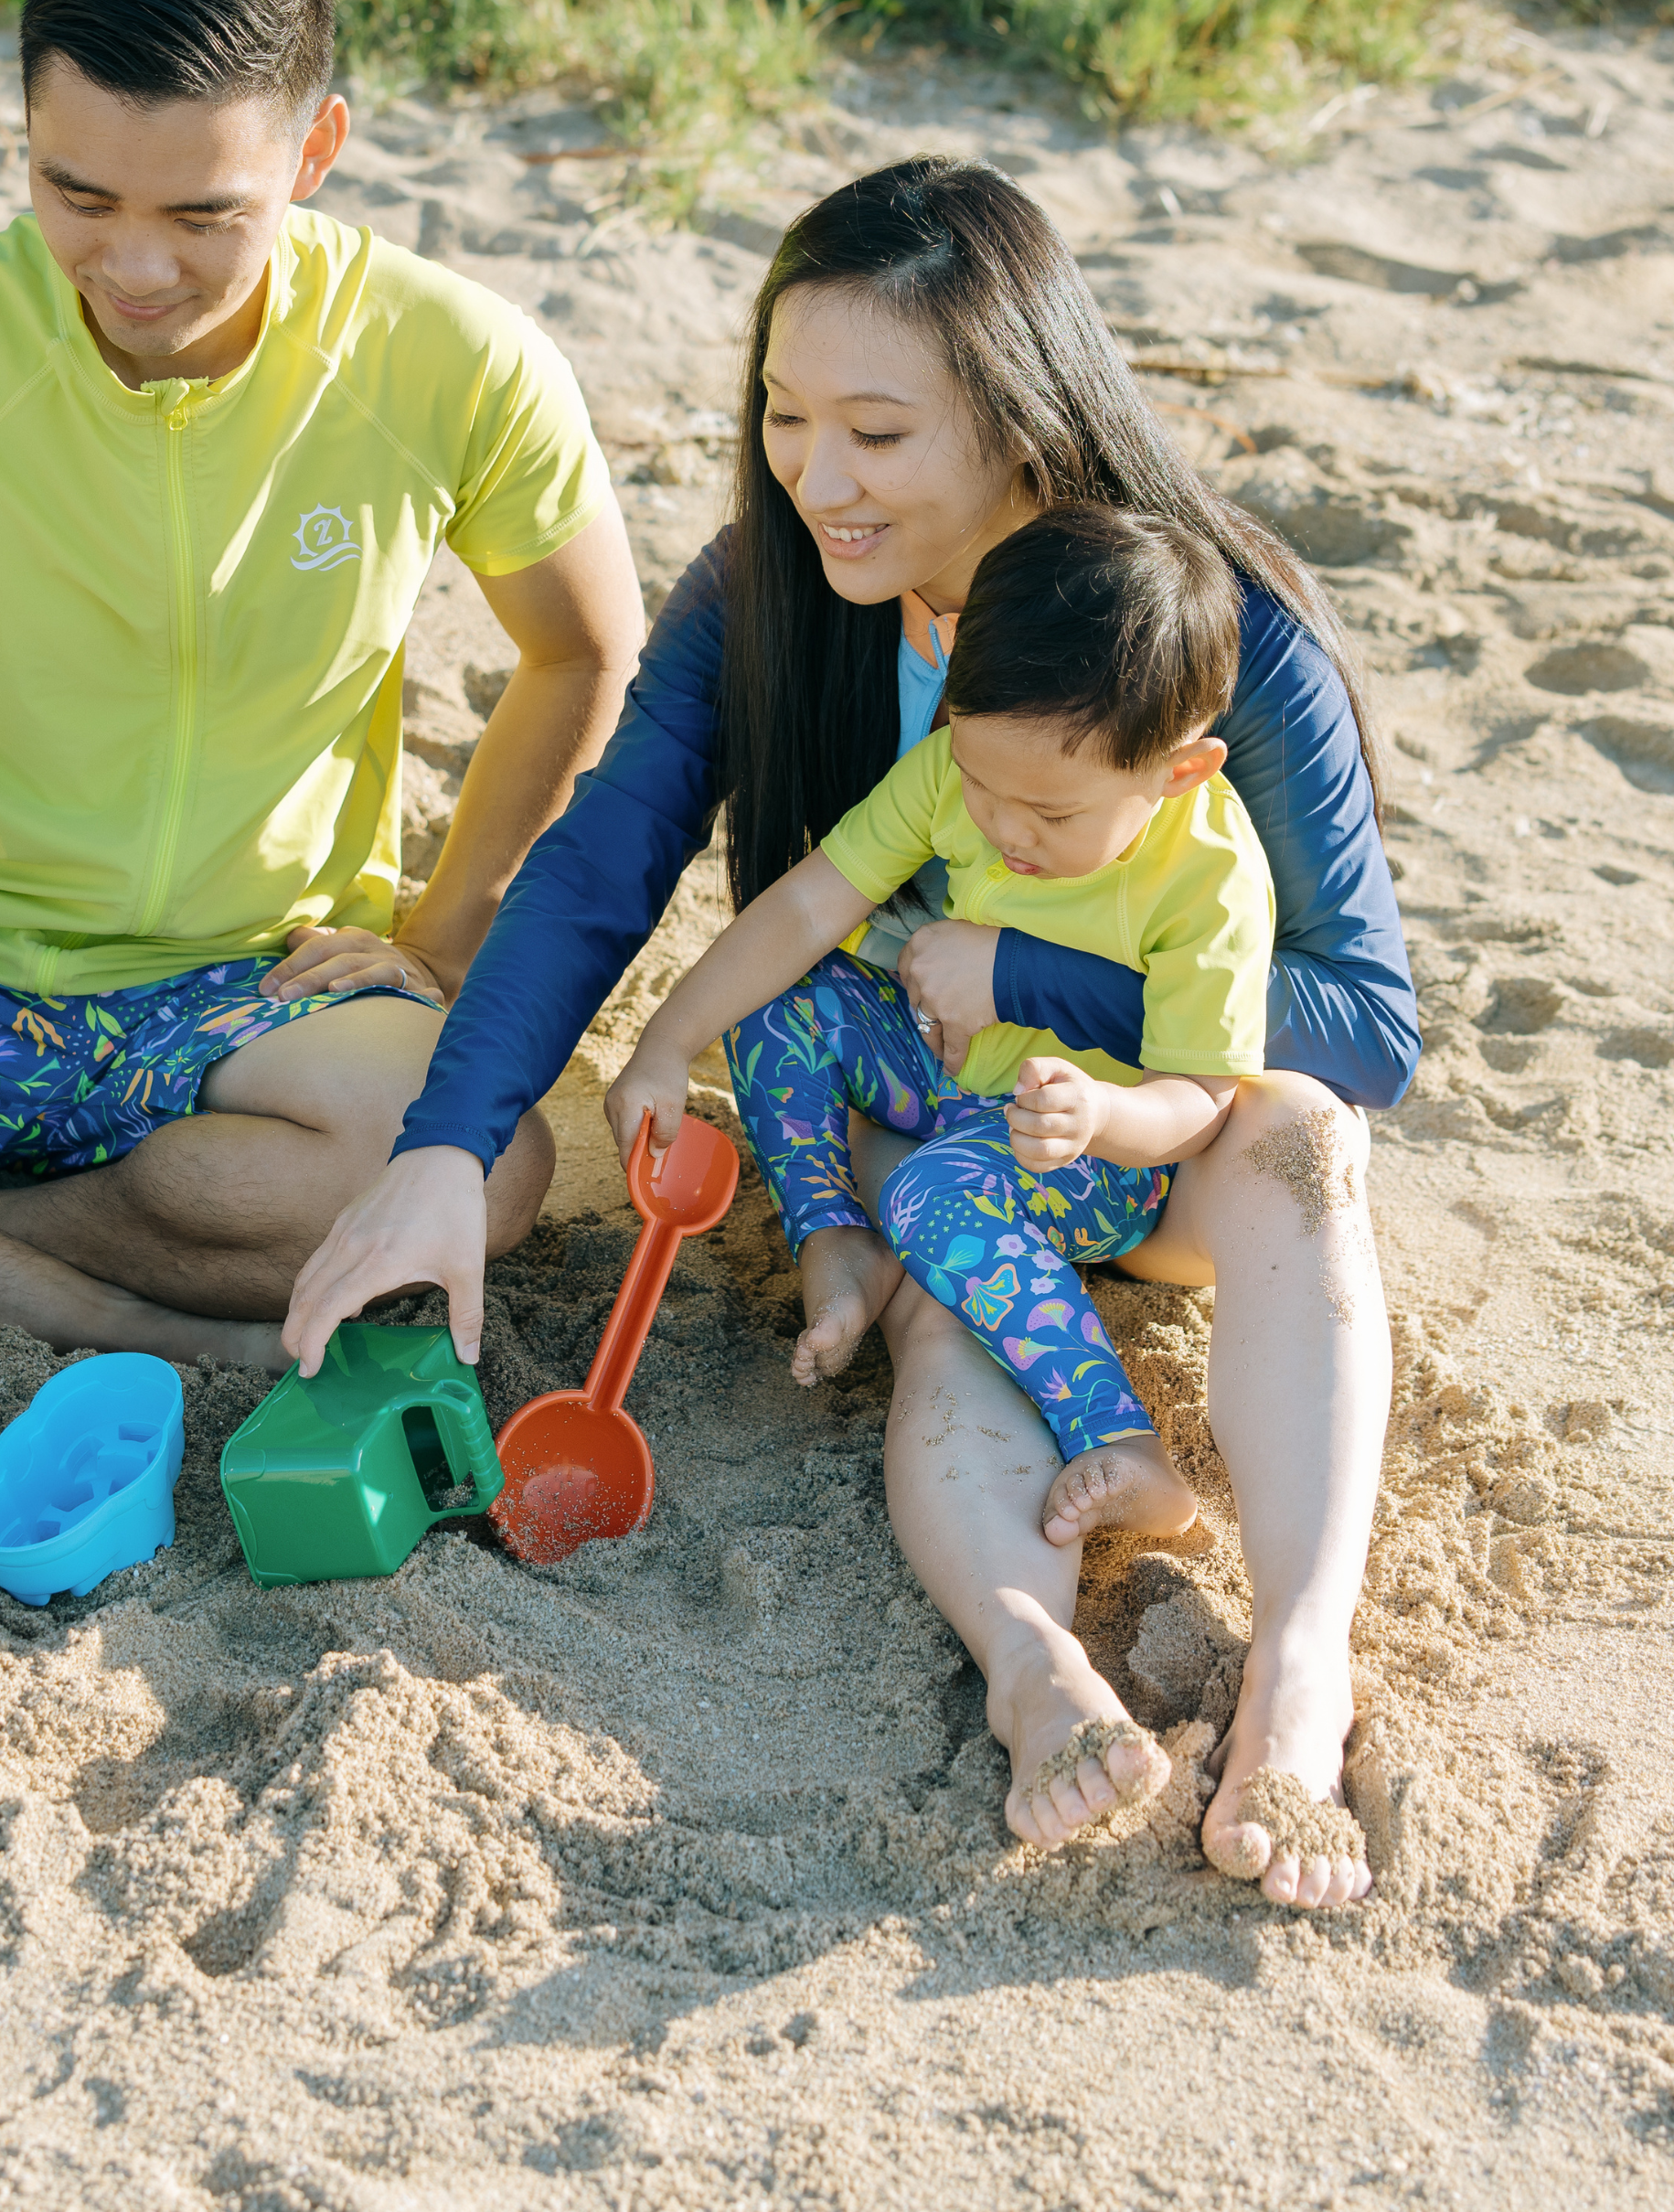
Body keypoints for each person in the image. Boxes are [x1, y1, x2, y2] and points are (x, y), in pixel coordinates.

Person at [287, 158, 1418, 1911]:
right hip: (930, 1143)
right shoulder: (769, 591)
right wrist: (449, 1142)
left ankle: (1301, 1675)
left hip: (1174, 1147)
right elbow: (602, 870)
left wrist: (1039, 991)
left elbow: (1371, 1022)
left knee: (1308, 1138)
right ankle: (1035, 1673)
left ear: (1024, 424)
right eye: (785, 414)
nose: (818, 476)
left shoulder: (1200, 627)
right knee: (951, 1333)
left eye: (878, 435)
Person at [0, 0, 642, 1362]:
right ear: (24, 135)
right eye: (73, 196)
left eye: (205, 214)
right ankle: (70, 1275)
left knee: (482, 1168)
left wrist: (449, 933)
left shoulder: (452, 360)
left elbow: (587, 647)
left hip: (251, 974)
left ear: (317, 148)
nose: (134, 268)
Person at [606, 505, 1270, 1547]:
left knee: (932, 1190)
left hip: (1094, 1156)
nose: (1004, 830)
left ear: (1177, 770)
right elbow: (806, 906)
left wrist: (1099, 1114)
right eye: (980, 783)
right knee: (785, 1003)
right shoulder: (967, 767)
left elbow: (1201, 1104)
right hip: (954, 1072)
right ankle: (834, 1239)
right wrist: (663, 1045)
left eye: (1051, 817)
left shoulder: (1211, 879)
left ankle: (1126, 1441)